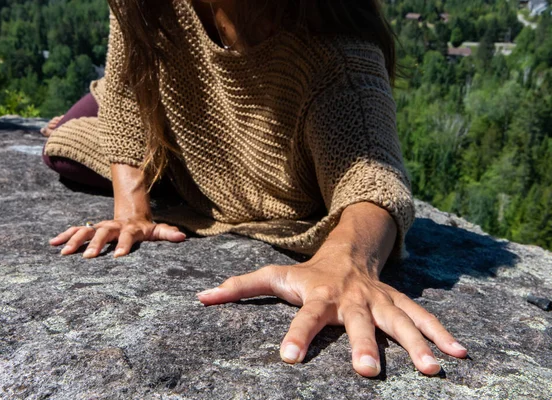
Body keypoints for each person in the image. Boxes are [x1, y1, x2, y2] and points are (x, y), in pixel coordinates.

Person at [42, 0, 468, 378]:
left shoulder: (337, 53)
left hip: (213, 145)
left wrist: (348, 261)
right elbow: (127, 74)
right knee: (65, 147)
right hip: (172, 122)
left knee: (68, 141)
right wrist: (132, 210)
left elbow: (372, 177)